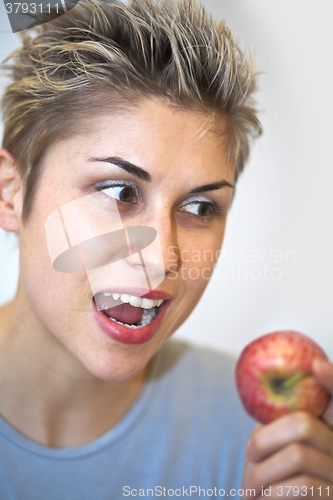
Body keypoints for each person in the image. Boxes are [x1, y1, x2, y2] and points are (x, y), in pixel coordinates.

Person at [0, 0, 331, 498]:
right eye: (120, 192)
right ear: (10, 191)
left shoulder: (271, 444)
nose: (161, 258)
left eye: (200, 208)